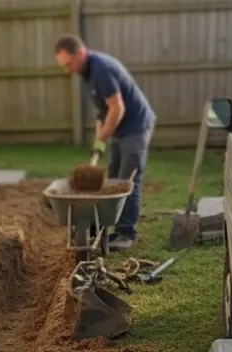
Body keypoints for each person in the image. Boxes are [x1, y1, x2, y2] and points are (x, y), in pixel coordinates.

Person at [55, 35, 156, 250]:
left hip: (136, 127)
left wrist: (102, 137)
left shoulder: (101, 69)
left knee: (128, 181)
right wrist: (98, 140)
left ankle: (126, 234)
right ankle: (109, 228)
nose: (68, 70)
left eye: (69, 63)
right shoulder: (86, 72)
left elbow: (118, 108)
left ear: (80, 53)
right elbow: (103, 112)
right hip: (120, 129)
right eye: (64, 66)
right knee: (112, 178)